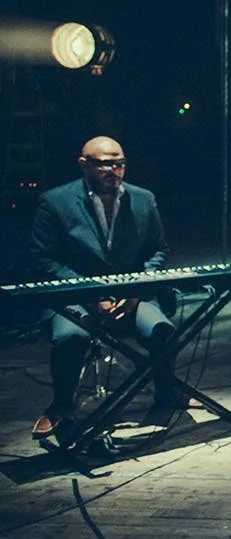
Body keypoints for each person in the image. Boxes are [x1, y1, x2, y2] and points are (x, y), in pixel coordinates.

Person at [29, 136, 177, 438]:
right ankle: (61, 405)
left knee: (163, 331)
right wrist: (90, 294)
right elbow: (43, 258)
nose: (115, 170)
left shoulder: (143, 198)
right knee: (70, 337)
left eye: (120, 163)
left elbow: (158, 250)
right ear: (83, 164)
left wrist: (135, 290)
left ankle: (167, 396)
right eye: (105, 164)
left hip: (130, 294)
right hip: (76, 297)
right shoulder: (55, 201)